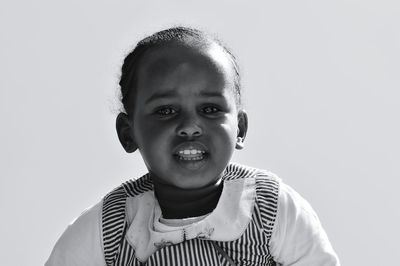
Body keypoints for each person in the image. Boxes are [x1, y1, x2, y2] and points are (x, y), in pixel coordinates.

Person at [46, 26, 340, 266]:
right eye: (165, 111)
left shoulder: (271, 208)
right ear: (128, 132)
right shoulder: (108, 229)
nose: (190, 125)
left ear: (240, 129)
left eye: (210, 109)